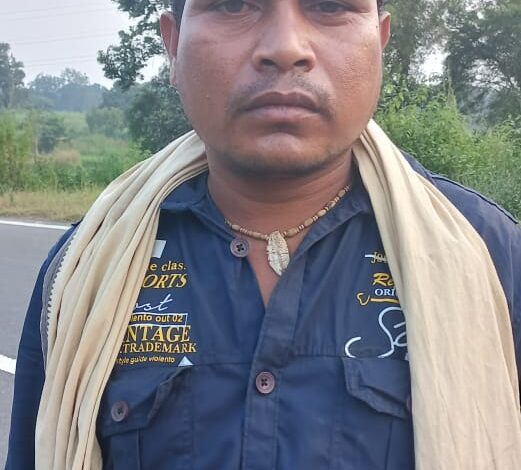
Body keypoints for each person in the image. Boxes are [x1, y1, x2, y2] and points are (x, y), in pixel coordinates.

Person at [6, 0, 521, 469]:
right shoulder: (87, 267)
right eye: (234, 5)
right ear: (173, 46)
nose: (286, 47)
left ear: (380, 43)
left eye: (330, 6)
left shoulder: (484, 254)